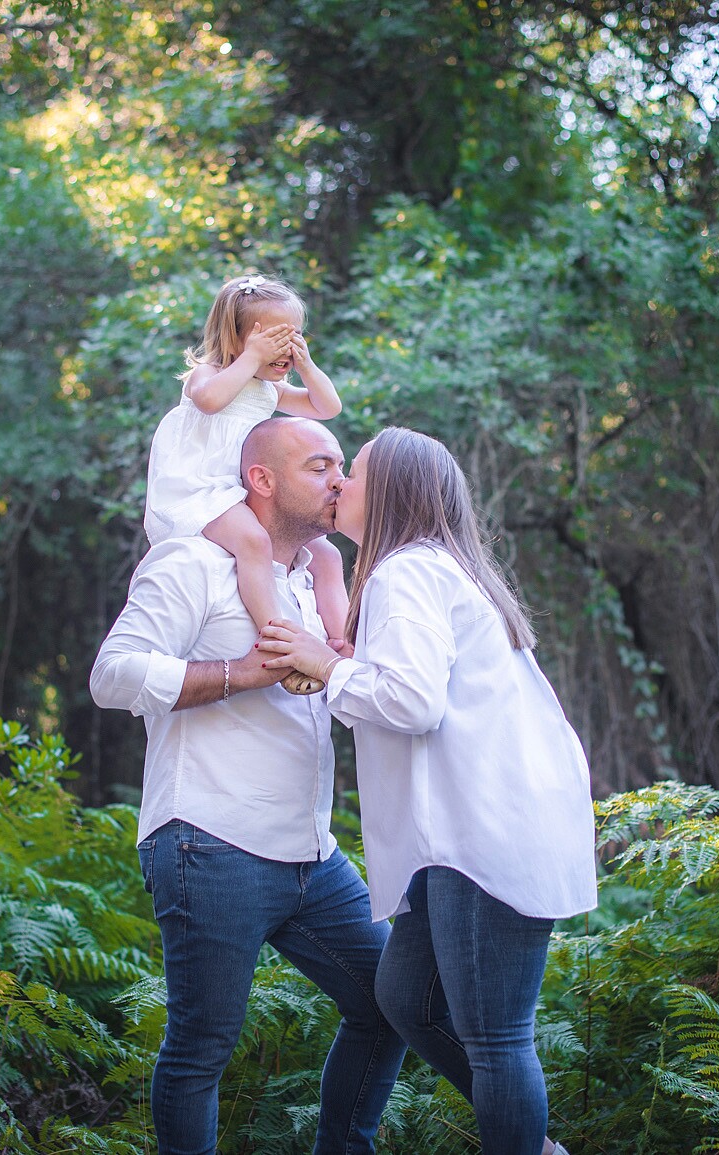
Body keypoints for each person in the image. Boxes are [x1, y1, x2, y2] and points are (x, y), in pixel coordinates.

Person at [257, 427, 598, 1155]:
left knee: (497, 1038)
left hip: (482, 831)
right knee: (405, 997)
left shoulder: (406, 571)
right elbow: (411, 692)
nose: (339, 483)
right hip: (463, 834)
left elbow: (412, 704)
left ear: (391, 492)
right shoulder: (432, 569)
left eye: (353, 472)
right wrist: (350, 663)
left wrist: (327, 663)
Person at [91, 417, 406, 1155]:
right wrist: (239, 674)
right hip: (209, 841)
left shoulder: (314, 581)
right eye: (318, 466)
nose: (338, 480)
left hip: (311, 855)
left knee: (389, 1002)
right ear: (261, 479)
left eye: (341, 466)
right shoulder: (191, 563)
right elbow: (112, 674)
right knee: (202, 1048)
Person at [144, 272, 348, 693]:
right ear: (235, 336)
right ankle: (281, 641)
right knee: (253, 542)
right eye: (273, 338)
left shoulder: (271, 390)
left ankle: (343, 644)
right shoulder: (210, 374)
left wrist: (306, 365)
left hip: (241, 493)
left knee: (326, 555)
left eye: (293, 337)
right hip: (202, 491)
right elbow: (209, 401)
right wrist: (251, 358)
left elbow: (328, 406)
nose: (284, 349)